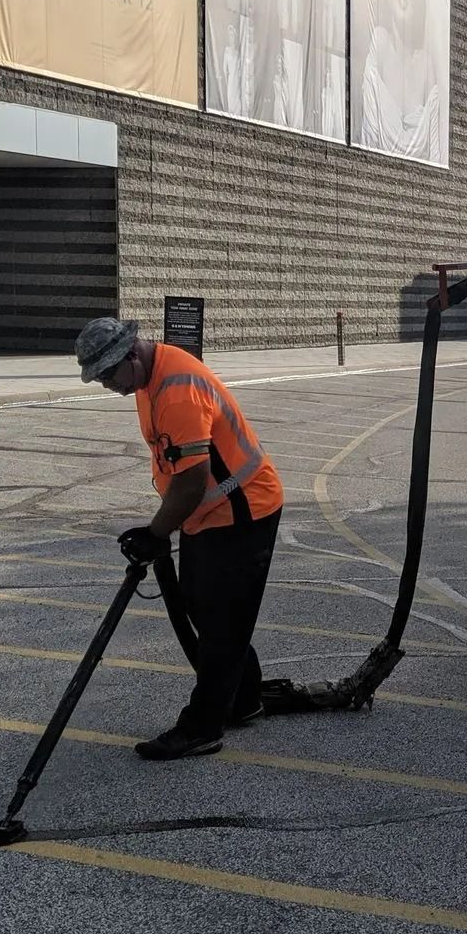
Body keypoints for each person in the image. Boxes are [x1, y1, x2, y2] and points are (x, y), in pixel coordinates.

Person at [75, 317, 287, 760]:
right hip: (206, 515)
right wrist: (164, 527)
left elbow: (193, 480)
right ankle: (244, 699)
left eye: (109, 375)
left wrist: (155, 533)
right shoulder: (147, 379)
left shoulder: (177, 388)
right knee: (204, 609)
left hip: (242, 512)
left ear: (131, 356)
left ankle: (202, 727)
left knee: (221, 624)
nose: (108, 386)